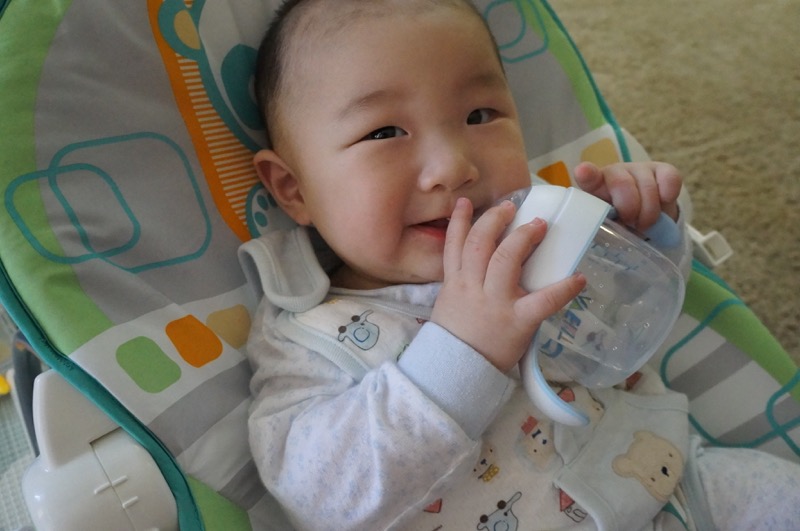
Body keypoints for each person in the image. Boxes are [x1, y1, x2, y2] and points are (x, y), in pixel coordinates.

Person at [240, 0, 800, 529]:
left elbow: (633, 315)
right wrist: (464, 350)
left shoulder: (538, 238)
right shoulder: (311, 334)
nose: (453, 166)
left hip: (679, 489)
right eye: (384, 132)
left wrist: (641, 230)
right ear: (294, 189)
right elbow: (324, 498)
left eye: (479, 115)